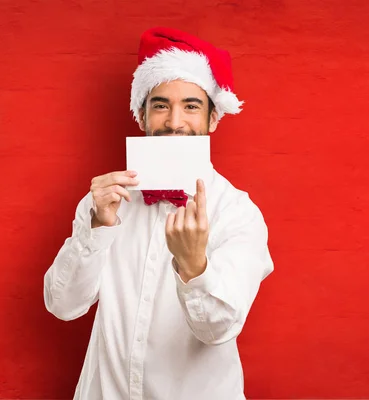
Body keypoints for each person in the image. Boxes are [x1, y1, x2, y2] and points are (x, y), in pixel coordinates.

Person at [43, 27, 274, 400]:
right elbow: (63, 306)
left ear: (214, 120)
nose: (174, 122)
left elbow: (218, 330)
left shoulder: (237, 213)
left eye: (192, 106)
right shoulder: (106, 202)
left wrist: (193, 265)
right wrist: (96, 228)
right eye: (161, 104)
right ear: (142, 116)